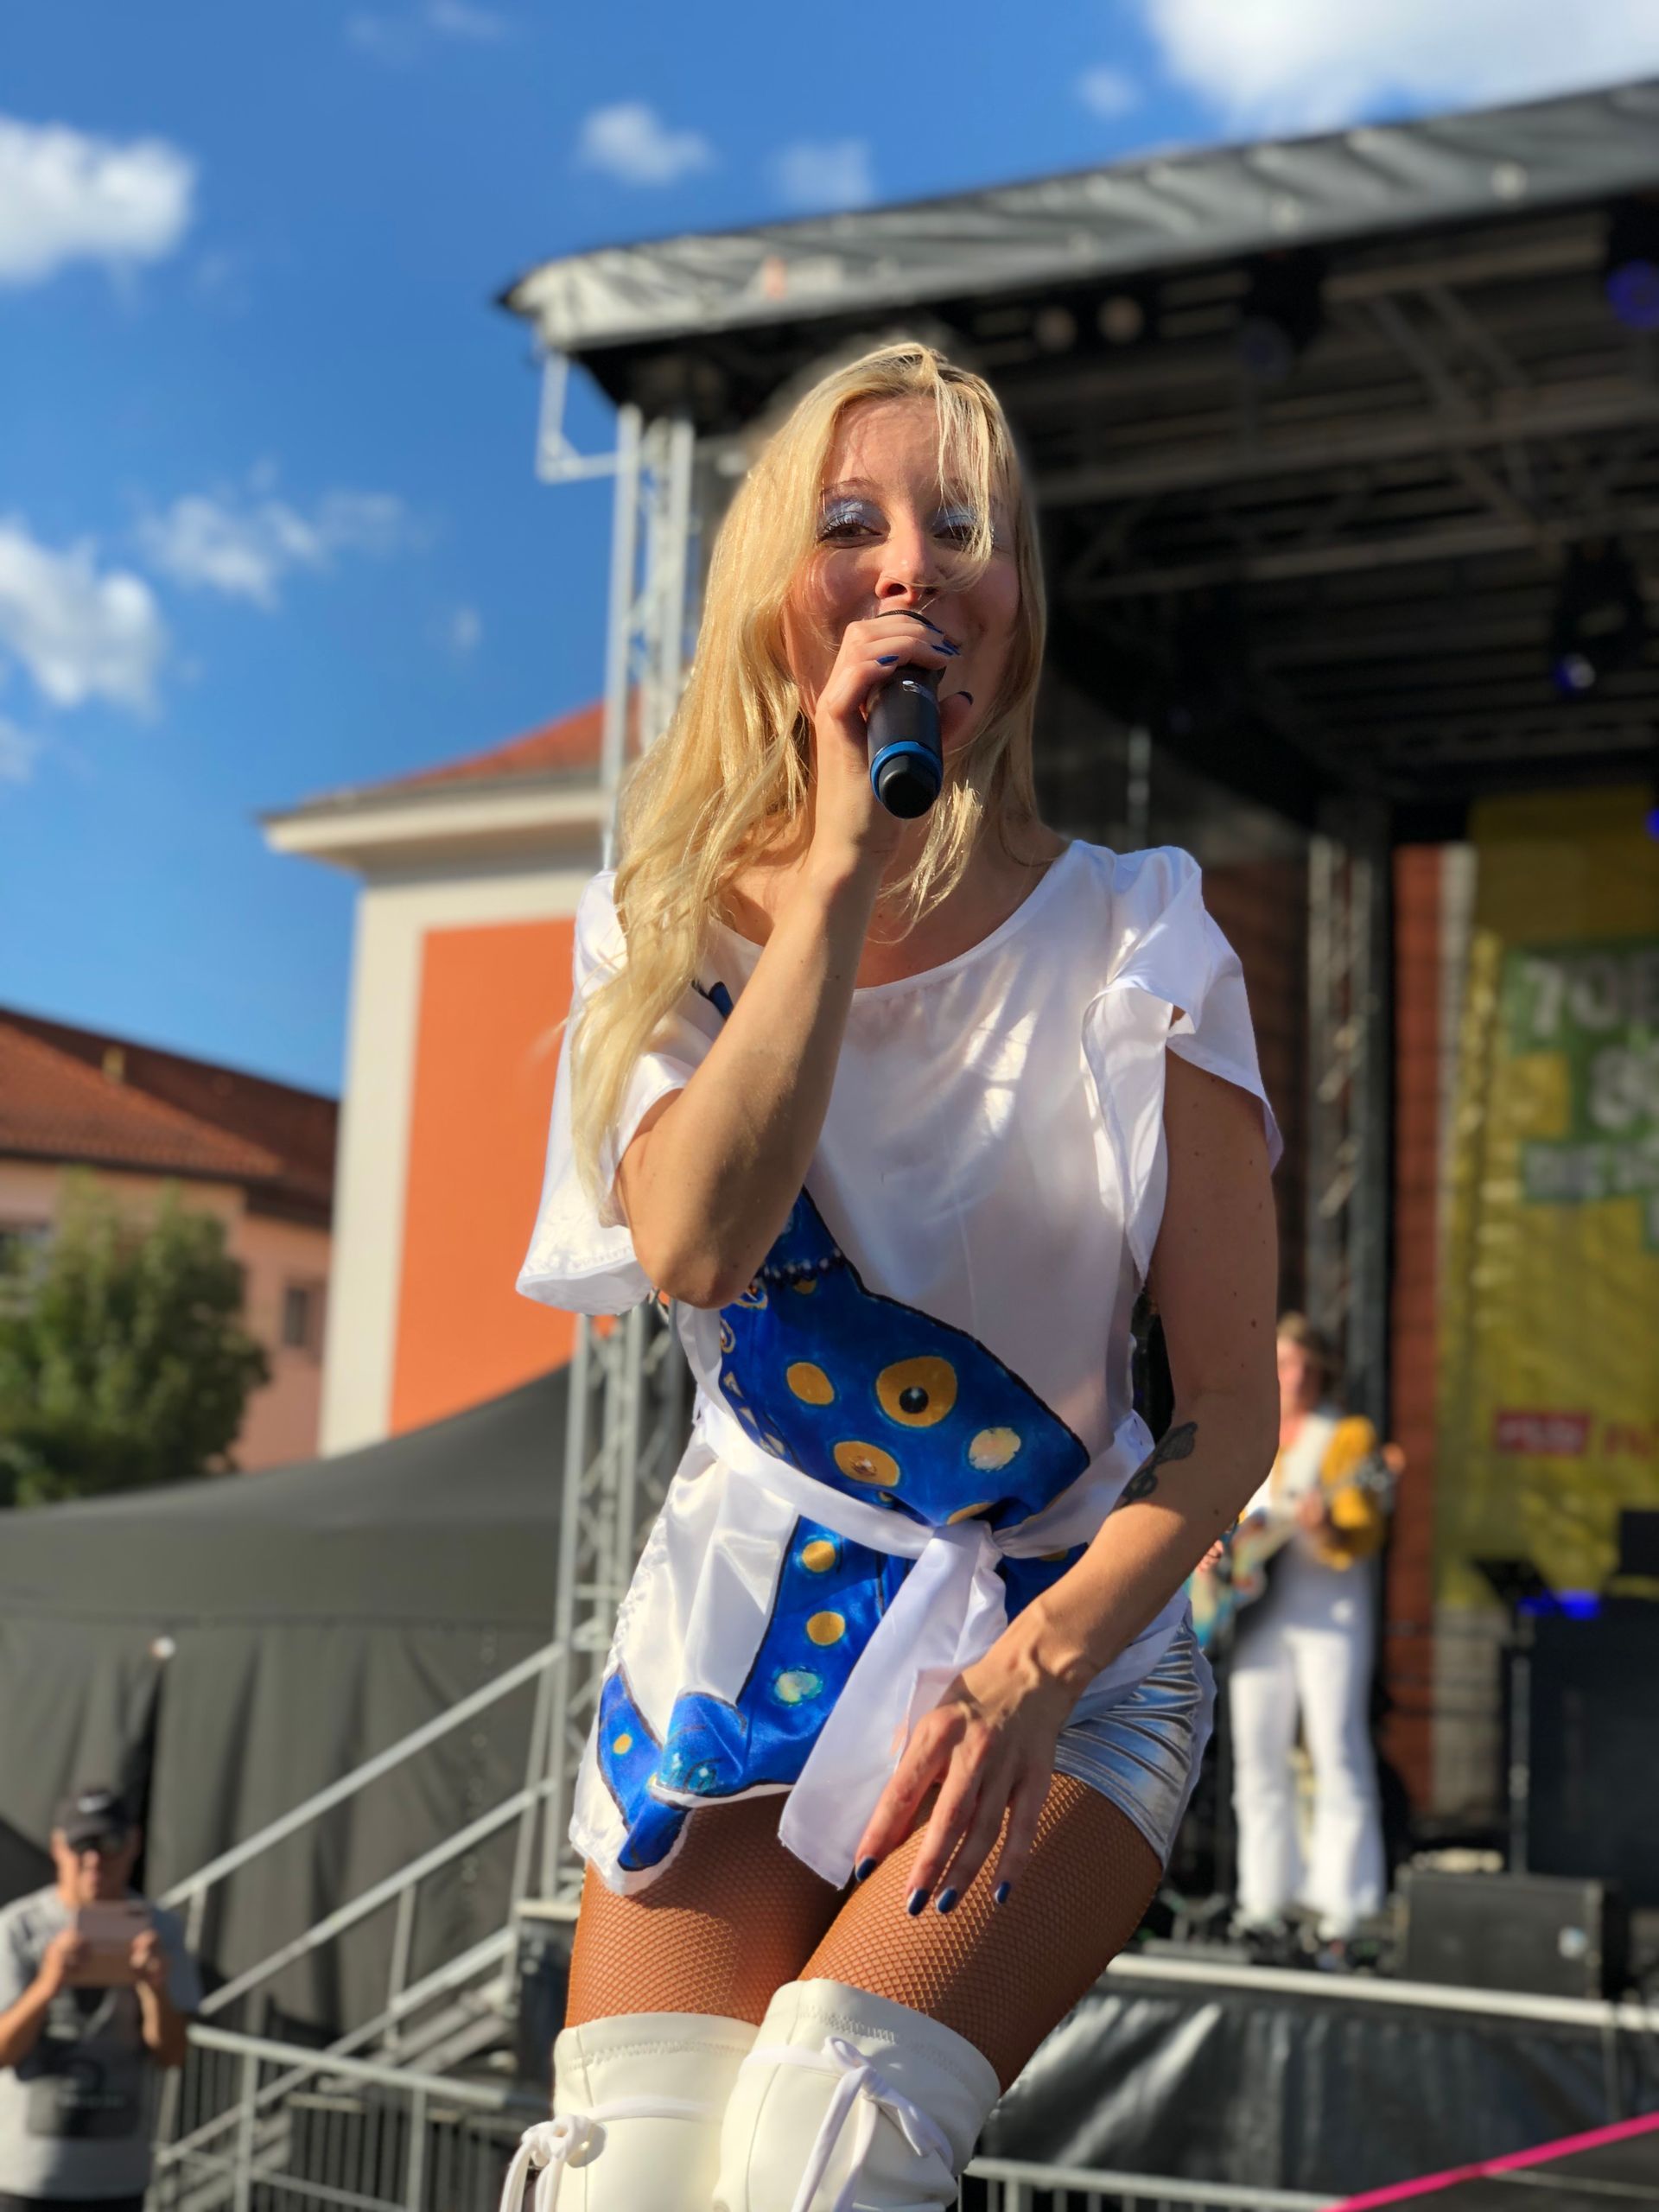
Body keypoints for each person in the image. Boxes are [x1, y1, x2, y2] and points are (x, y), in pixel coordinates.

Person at [506, 342, 1281, 2212]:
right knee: (630, 2178)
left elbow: (1231, 1416)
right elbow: (697, 1241)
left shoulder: (1143, 933)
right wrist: (841, 866)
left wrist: (1030, 1675)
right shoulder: (659, 926)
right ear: (778, 587)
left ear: (1016, 608)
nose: (915, 563)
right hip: (749, 1626)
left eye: (966, 527)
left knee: (821, 2152)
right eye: (853, 521)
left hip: (1059, 1635)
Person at [1226, 1315, 1391, 1949]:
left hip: (1329, 1612)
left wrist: (1326, 1527)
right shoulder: (1252, 1430)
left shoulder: (1346, 1437)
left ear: (1320, 1371)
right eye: (1280, 1364)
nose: (1290, 1377)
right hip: (1259, 1612)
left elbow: (1362, 1532)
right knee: (1257, 1752)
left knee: (1335, 1746)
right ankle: (1264, 1896)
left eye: (1299, 1365)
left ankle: (1346, 1899)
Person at [0, 1784, 200, 2212]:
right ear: (58, 1846)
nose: (95, 1860)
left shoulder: (161, 1930)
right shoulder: (18, 1927)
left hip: (118, 2181)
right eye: (82, 1844)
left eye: (109, 1843)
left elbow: (172, 2055)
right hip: (26, 2179)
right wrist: (48, 1983)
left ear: (134, 1845)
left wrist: (154, 1987)